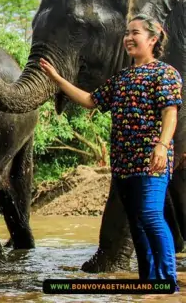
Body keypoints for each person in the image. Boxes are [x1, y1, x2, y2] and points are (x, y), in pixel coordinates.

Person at [39, 14, 182, 286]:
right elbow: (90, 100)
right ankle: (150, 282)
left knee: (151, 215)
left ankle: (168, 281)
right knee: (137, 223)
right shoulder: (122, 78)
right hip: (123, 163)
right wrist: (57, 78)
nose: (128, 37)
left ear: (152, 39)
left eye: (135, 32)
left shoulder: (165, 73)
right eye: (127, 33)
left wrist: (162, 146)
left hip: (150, 159)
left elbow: (170, 113)